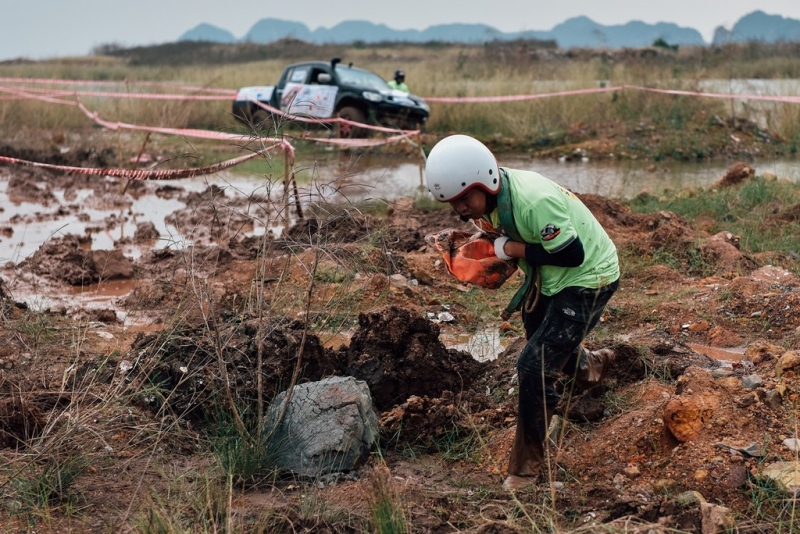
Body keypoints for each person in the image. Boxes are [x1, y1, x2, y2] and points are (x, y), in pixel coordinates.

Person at [425, 134, 620, 491]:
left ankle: (525, 470)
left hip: (590, 278)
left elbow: (571, 254)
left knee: (533, 364)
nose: (461, 210)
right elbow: (509, 241)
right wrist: (482, 250)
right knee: (538, 331)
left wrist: (510, 247)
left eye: (465, 198)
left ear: (486, 180)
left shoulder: (534, 200)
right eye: (453, 203)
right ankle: (592, 368)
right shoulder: (491, 202)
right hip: (553, 277)